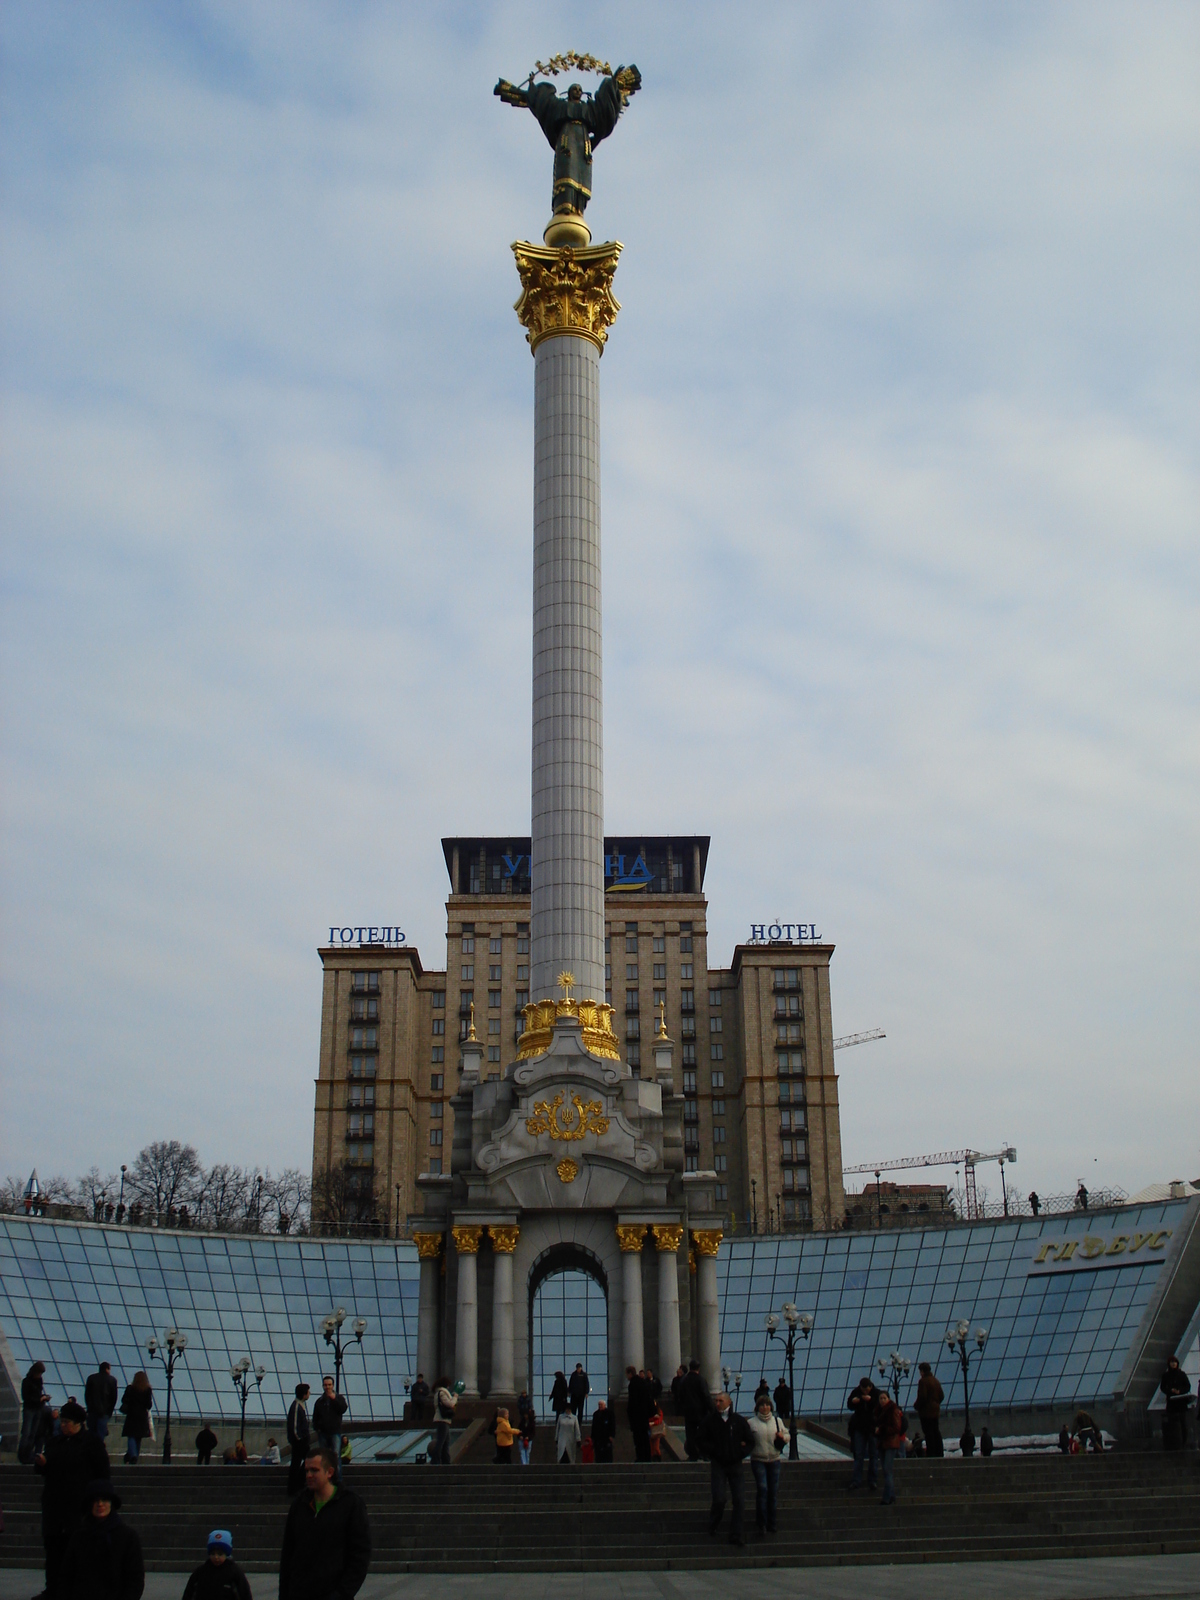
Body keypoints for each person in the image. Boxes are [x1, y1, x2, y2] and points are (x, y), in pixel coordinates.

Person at [36, 1400, 110, 1600]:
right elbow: (46, 1469)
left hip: (78, 1506)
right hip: (54, 1505)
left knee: (77, 1549)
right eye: (62, 1421)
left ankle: (76, 1589)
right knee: (53, 1550)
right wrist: (43, 1464)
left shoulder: (91, 1443)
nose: (63, 1426)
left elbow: (103, 1473)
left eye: (68, 1422)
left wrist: (99, 1499)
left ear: (79, 1423)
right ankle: (52, 1589)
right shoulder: (55, 1442)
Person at [279, 1448, 370, 1600]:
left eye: (314, 1470)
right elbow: (288, 1556)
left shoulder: (351, 1505)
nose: (308, 1475)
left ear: (330, 1472)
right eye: (306, 1470)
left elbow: (360, 1556)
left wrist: (342, 1594)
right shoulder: (299, 1505)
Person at [60, 1480, 144, 1600]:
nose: (100, 1504)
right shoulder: (79, 1537)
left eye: (104, 1500)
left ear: (111, 1503)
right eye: (95, 1500)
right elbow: (66, 1575)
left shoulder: (128, 1537)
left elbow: (135, 1579)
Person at [698, 1393, 753, 1546]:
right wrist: (713, 1451)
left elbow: (750, 1441)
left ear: (729, 1402)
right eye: (716, 1401)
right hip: (718, 1464)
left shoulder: (738, 1421)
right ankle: (713, 1524)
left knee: (739, 1500)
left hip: (735, 1464)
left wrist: (740, 1453)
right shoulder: (710, 1420)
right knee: (719, 1498)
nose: (717, 1403)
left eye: (721, 1401)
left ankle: (736, 1534)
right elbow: (700, 1439)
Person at [747, 1395, 787, 1535]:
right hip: (758, 1459)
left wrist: (783, 1437)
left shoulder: (777, 1421)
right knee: (763, 1489)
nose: (765, 1407)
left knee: (773, 1492)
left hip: (774, 1459)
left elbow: (787, 1434)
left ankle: (772, 1522)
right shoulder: (751, 1423)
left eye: (767, 1405)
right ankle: (761, 1522)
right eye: (762, 1405)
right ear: (757, 1407)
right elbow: (746, 1438)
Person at [182, 1530, 252, 1600]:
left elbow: (244, 1594)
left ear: (226, 1554)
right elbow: (189, 1593)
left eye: (220, 1554)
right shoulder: (201, 1572)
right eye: (213, 1554)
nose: (216, 1557)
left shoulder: (235, 1573)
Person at [846, 1377, 879, 1490]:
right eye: (863, 1389)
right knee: (858, 1454)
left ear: (870, 1387)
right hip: (860, 1427)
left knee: (874, 1454)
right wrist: (854, 1402)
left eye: (867, 1389)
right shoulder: (856, 1392)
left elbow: (879, 1406)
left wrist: (870, 1401)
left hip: (872, 1427)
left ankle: (873, 1480)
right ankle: (856, 1480)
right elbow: (849, 1404)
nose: (865, 1392)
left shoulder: (876, 1393)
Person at [313, 1377, 348, 1482]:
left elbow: (343, 1409)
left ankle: (338, 1480)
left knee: (335, 1456)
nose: (327, 1387)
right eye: (325, 1385)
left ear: (333, 1386)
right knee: (324, 1457)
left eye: (329, 1385)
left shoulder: (339, 1398)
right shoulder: (320, 1401)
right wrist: (318, 1428)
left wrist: (334, 1399)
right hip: (323, 1432)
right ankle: (325, 1479)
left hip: (335, 1432)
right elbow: (315, 1417)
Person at [875, 1392, 906, 1506]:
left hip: (890, 1443)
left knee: (887, 1470)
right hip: (883, 1443)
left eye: (884, 1398)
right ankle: (891, 1495)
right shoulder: (879, 1411)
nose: (882, 1400)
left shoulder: (893, 1410)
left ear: (888, 1399)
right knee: (886, 1470)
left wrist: (881, 1429)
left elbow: (896, 1427)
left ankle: (887, 1497)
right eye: (880, 1398)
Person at [681, 1359, 713, 1462]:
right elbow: (705, 1396)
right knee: (703, 1433)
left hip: (688, 1412)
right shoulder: (701, 1380)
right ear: (698, 1368)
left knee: (690, 1434)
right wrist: (712, 1409)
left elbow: (680, 1396)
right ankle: (704, 1454)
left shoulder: (684, 1380)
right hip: (701, 1412)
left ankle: (692, 1455)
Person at [118, 1373, 153, 1465]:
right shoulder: (147, 1389)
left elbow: (124, 1400)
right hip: (142, 1416)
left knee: (131, 1436)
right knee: (138, 1437)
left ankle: (132, 1455)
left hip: (132, 1415)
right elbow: (148, 1405)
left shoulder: (130, 1388)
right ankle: (134, 1455)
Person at [1159, 1355, 1192, 1450]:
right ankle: (1173, 1443)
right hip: (1171, 1402)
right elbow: (1163, 1387)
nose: (1173, 1364)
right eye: (1172, 1362)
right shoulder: (1166, 1375)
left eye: (1175, 1362)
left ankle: (1183, 1443)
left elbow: (1187, 1386)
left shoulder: (1181, 1374)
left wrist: (1180, 1391)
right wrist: (1170, 1391)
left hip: (1181, 1401)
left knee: (1183, 1423)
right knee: (1172, 1422)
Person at [915, 1362, 945, 1458]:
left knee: (928, 1433)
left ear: (922, 1371)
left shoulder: (923, 1381)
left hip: (926, 1412)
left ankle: (931, 1452)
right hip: (935, 1411)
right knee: (936, 1431)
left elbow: (922, 1396)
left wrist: (917, 1406)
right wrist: (935, 1403)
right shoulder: (935, 1380)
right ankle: (939, 1452)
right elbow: (941, 1395)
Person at [20, 1360, 48, 1463]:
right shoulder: (27, 1381)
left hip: (37, 1409)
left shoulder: (39, 1381)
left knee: (33, 1433)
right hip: (30, 1409)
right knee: (26, 1433)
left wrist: (43, 1398)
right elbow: (26, 1397)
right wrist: (39, 1399)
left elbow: (38, 1393)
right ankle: (22, 1454)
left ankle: (28, 1455)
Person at [286, 1385, 312, 1495]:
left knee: (304, 1461)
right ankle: (295, 1486)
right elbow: (294, 1426)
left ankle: (298, 1484)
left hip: (301, 1440)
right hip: (299, 1442)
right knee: (298, 1463)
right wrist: (300, 1439)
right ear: (304, 1394)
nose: (309, 1393)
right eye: (308, 1392)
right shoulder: (296, 1407)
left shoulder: (299, 1406)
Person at [84, 1363, 117, 1443]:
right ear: (107, 1369)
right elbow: (113, 1397)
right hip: (104, 1411)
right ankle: (98, 1450)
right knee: (101, 1433)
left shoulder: (91, 1378)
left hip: (92, 1410)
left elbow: (87, 1395)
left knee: (92, 1432)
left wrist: (89, 1407)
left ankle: (91, 1450)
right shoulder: (112, 1380)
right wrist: (110, 1411)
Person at [626, 1366, 652, 1462]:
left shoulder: (632, 1385)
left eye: (627, 1374)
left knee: (638, 1439)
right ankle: (647, 1457)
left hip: (637, 1417)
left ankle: (641, 1457)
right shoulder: (643, 1382)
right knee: (645, 1438)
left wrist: (630, 1414)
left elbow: (633, 1402)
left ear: (630, 1373)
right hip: (644, 1416)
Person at [431, 1378, 456, 1466]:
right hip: (442, 1420)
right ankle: (435, 1460)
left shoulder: (438, 1393)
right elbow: (450, 1404)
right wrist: (455, 1398)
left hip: (443, 1420)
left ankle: (446, 1461)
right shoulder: (442, 1393)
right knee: (441, 1442)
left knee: (445, 1442)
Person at [515, 1391, 536, 1465]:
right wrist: (520, 1436)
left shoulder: (531, 1423)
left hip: (528, 1439)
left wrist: (528, 1437)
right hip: (522, 1438)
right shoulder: (522, 1422)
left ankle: (527, 1463)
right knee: (522, 1452)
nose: (525, 1416)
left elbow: (533, 1432)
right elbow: (518, 1430)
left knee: (527, 1452)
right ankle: (524, 1463)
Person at [647, 1397, 665, 1461]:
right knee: (651, 1448)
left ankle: (659, 1459)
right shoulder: (649, 1411)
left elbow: (660, 1420)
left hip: (656, 1430)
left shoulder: (659, 1411)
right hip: (650, 1430)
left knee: (656, 1448)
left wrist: (653, 1422)